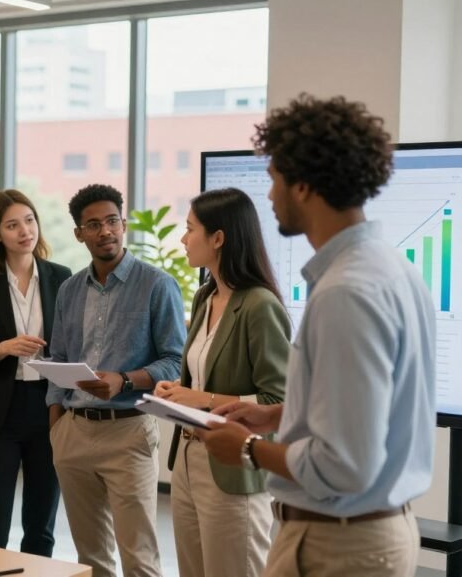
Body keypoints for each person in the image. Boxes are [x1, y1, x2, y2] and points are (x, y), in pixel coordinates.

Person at [199, 95, 436, 577]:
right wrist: (278, 413)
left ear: (303, 185)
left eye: (274, 180)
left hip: (339, 543)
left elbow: (345, 464)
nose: (269, 196)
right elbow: (369, 409)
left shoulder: (345, 292)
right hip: (361, 533)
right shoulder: (391, 268)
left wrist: (246, 449)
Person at [47, 184, 185, 577]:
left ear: (123, 224)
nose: (105, 231)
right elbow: (59, 358)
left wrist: (124, 380)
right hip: (73, 433)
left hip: (128, 434)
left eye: (111, 221)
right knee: (90, 559)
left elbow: (176, 362)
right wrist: (57, 426)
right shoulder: (70, 289)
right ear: (79, 234)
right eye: (93, 224)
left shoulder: (157, 285)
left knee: (138, 557)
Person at [153, 187, 289, 577]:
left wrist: (200, 398)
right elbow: (196, 377)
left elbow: (276, 398)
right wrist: (175, 394)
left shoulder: (261, 305)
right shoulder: (203, 296)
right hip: (190, 459)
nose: (183, 238)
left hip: (234, 468)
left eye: (189, 229)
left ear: (218, 238)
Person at [0, 189, 72, 557]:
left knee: (41, 526)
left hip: (47, 407)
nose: (25, 231)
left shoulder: (61, 278)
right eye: (12, 225)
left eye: (29, 220)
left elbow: (71, 345)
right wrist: (3, 348)